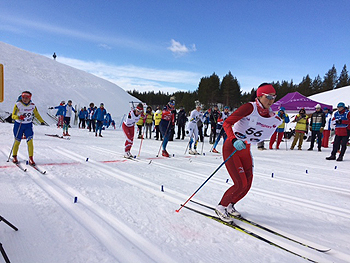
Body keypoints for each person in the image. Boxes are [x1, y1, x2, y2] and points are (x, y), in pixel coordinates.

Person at [215, 83, 282, 222]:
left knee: (248, 183)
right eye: (268, 97)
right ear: (259, 96)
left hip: (245, 148)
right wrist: (233, 140)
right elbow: (227, 123)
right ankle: (221, 207)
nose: (271, 100)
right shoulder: (249, 107)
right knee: (239, 183)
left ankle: (230, 205)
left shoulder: (270, 114)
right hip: (232, 147)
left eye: (274, 97)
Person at [11, 91, 45, 166]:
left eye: (27, 98)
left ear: (30, 98)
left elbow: (36, 114)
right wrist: (18, 117)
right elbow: (13, 115)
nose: (25, 99)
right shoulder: (18, 105)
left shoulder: (32, 105)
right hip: (19, 125)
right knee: (17, 141)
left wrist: (41, 121)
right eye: (23, 97)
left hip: (28, 125)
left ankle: (31, 158)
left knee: (30, 142)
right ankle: (14, 156)